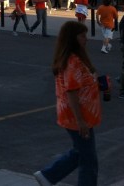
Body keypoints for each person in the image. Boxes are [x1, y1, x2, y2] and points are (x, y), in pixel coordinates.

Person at [34, 21, 101, 186]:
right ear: (73, 38)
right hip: (77, 117)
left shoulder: (77, 58)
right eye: (82, 36)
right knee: (89, 160)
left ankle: (48, 176)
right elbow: (71, 91)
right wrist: (80, 121)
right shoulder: (73, 61)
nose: (86, 39)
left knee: (82, 153)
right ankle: (49, 175)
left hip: (81, 115)